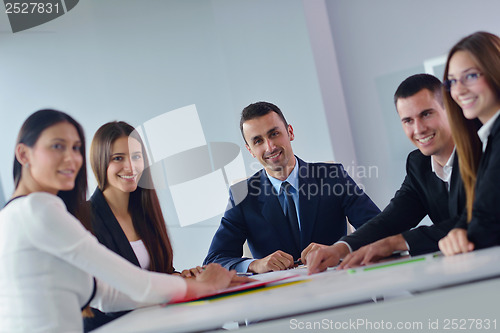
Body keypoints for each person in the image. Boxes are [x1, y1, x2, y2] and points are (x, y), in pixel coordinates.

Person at [0, 109, 245, 333]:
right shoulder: (38, 209)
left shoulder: (20, 212)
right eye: (57, 146)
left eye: (75, 148)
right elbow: (133, 284)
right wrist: (205, 286)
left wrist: (189, 281)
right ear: (23, 154)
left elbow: (105, 295)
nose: (71, 158)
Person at [304, 74, 465, 273]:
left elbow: (480, 218)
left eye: (426, 114)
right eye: (407, 120)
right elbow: (392, 219)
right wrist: (341, 248)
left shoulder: (485, 150)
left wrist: (396, 243)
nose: (419, 129)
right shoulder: (419, 163)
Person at [203, 101, 380, 273]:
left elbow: (379, 229)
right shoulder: (242, 195)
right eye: (258, 141)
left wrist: (339, 249)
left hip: (339, 287)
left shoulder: (332, 177)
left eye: (274, 134)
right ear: (250, 150)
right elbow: (215, 260)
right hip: (281, 298)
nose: (269, 147)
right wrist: (255, 265)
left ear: (290, 132)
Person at [84, 121, 202, 331]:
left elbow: (158, 273)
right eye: (118, 158)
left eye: (136, 156)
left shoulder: (145, 210)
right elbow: (102, 297)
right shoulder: (86, 219)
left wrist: (178, 277)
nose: (131, 166)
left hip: (157, 321)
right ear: (100, 163)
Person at [438, 31, 500, 255]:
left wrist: (464, 235)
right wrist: (458, 231)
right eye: (453, 81)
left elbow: (488, 225)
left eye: (471, 76)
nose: (459, 90)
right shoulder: (487, 139)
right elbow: (477, 210)